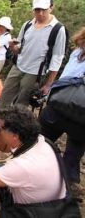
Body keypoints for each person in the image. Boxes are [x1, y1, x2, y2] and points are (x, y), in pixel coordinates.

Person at [0, 105, 66, 204]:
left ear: (14, 135)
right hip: (51, 198)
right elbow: (6, 148)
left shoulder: (22, 166)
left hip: (33, 211)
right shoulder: (38, 139)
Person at [0, 0, 67, 108]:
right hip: (18, 66)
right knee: (5, 96)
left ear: (51, 7)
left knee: (21, 104)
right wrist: (12, 46)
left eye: (43, 10)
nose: (40, 13)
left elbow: (57, 57)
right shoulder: (27, 25)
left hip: (35, 72)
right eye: (37, 10)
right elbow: (19, 49)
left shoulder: (58, 29)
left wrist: (48, 84)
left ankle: (14, 125)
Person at [39, 27, 85, 189]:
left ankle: (35, 169)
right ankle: (65, 183)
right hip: (82, 118)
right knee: (75, 149)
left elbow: (65, 79)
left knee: (41, 139)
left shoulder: (78, 53)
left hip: (58, 107)